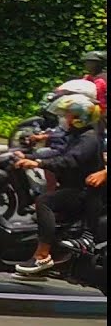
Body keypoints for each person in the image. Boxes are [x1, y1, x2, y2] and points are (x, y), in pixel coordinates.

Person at [14, 94, 104, 275]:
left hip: (82, 191)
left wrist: (38, 164)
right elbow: (57, 153)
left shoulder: (88, 139)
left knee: (44, 201)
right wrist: (29, 157)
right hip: (72, 186)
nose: (65, 118)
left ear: (80, 118)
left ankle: (42, 256)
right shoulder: (76, 136)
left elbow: (68, 161)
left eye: (69, 115)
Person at [82, 50, 107, 121]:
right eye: (87, 62)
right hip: (89, 110)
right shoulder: (88, 77)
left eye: (91, 62)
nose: (87, 64)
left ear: (100, 64)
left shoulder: (104, 78)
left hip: (102, 114)